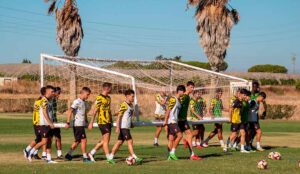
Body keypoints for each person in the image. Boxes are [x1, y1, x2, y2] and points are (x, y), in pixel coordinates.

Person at [109, 89, 143, 164]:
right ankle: (134, 157)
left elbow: (128, 116)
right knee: (130, 141)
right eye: (132, 96)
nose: (133, 98)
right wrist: (117, 127)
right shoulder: (124, 104)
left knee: (119, 143)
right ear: (127, 96)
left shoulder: (131, 105)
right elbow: (119, 116)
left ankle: (110, 157)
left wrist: (131, 123)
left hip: (126, 127)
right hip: (123, 127)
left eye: (133, 96)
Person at [27, 85, 56, 163]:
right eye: (52, 92)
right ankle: (30, 152)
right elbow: (44, 112)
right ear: (46, 92)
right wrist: (50, 123)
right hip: (44, 124)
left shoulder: (49, 100)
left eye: (53, 91)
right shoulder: (44, 100)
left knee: (49, 141)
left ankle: (49, 159)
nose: (53, 93)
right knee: (44, 141)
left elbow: (49, 113)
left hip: (47, 124)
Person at [87, 83, 115, 164]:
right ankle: (108, 158)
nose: (111, 90)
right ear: (107, 88)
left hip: (108, 121)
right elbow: (95, 111)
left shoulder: (109, 98)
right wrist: (91, 122)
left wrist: (111, 120)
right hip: (102, 122)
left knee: (104, 140)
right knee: (106, 141)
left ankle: (91, 153)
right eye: (111, 88)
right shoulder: (99, 98)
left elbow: (109, 110)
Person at [65, 87, 92, 163]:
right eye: (87, 94)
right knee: (83, 140)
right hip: (77, 124)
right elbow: (70, 111)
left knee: (77, 141)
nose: (88, 96)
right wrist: (68, 122)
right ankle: (85, 158)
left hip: (81, 124)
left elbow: (84, 112)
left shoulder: (84, 102)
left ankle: (69, 154)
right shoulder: (77, 101)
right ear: (82, 93)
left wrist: (86, 121)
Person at [179, 81, 201, 160]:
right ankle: (171, 153)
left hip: (184, 120)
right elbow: (178, 106)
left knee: (189, 135)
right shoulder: (184, 96)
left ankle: (192, 155)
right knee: (174, 138)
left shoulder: (188, 97)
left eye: (193, 87)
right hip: (179, 120)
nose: (192, 89)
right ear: (187, 87)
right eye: (191, 87)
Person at [23, 87, 46, 160]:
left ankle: (34, 152)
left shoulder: (38, 100)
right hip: (38, 123)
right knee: (40, 139)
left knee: (40, 139)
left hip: (38, 122)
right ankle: (27, 150)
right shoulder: (41, 101)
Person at [163, 85, 185, 161]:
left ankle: (170, 156)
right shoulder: (173, 99)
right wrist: (165, 121)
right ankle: (172, 152)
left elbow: (175, 112)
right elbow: (168, 110)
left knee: (171, 139)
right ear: (179, 91)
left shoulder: (178, 101)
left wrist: (179, 118)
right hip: (171, 122)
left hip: (174, 121)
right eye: (183, 91)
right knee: (180, 135)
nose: (184, 93)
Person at [50, 87, 63, 159]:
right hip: (50, 122)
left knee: (58, 137)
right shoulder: (51, 99)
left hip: (55, 121)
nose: (59, 95)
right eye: (58, 93)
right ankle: (38, 152)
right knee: (48, 138)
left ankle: (59, 154)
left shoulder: (54, 99)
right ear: (54, 92)